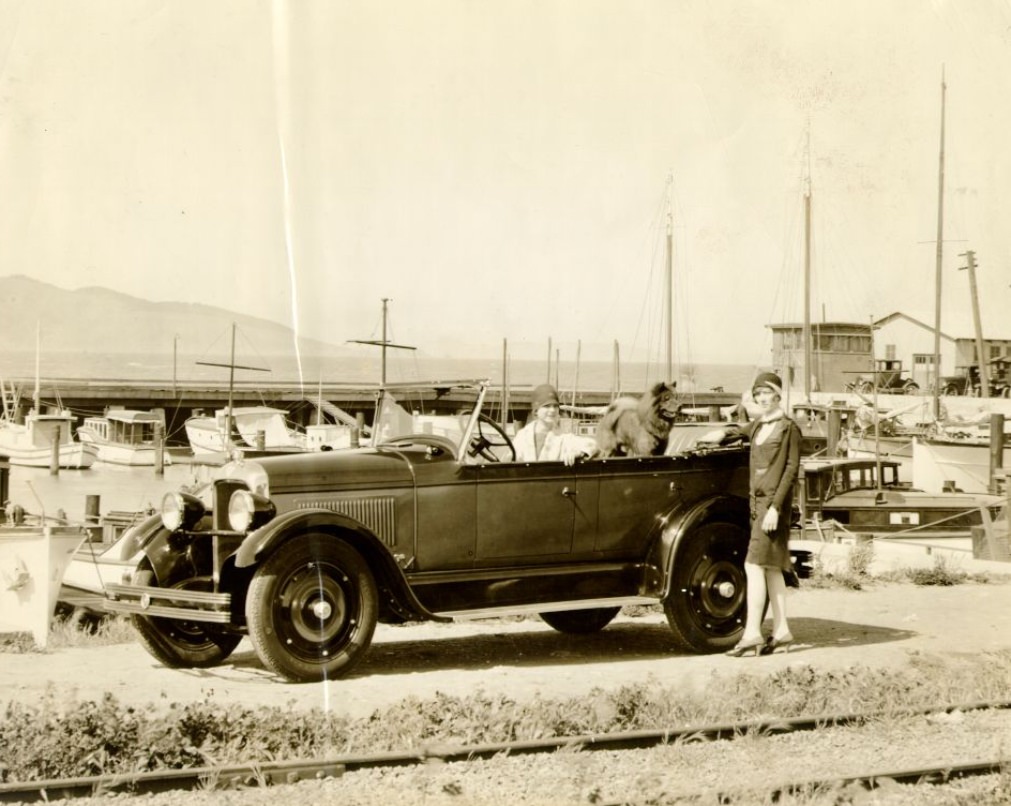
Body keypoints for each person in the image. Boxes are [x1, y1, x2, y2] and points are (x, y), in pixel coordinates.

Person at [720, 371, 802, 657]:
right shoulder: (758, 425)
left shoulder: (788, 427)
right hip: (758, 505)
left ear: (778, 395)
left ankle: (753, 633)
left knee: (753, 565)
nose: (763, 398)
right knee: (770, 568)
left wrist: (776, 509)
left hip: (772, 507)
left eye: (767, 393)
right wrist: (716, 434)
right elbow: (736, 431)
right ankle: (781, 632)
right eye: (758, 395)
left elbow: (791, 470)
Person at [513, 383, 598, 466]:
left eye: (555, 406)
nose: (552, 410)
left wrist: (579, 452)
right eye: (547, 406)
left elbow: (594, 445)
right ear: (536, 411)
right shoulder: (522, 436)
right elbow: (510, 460)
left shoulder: (564, 437)